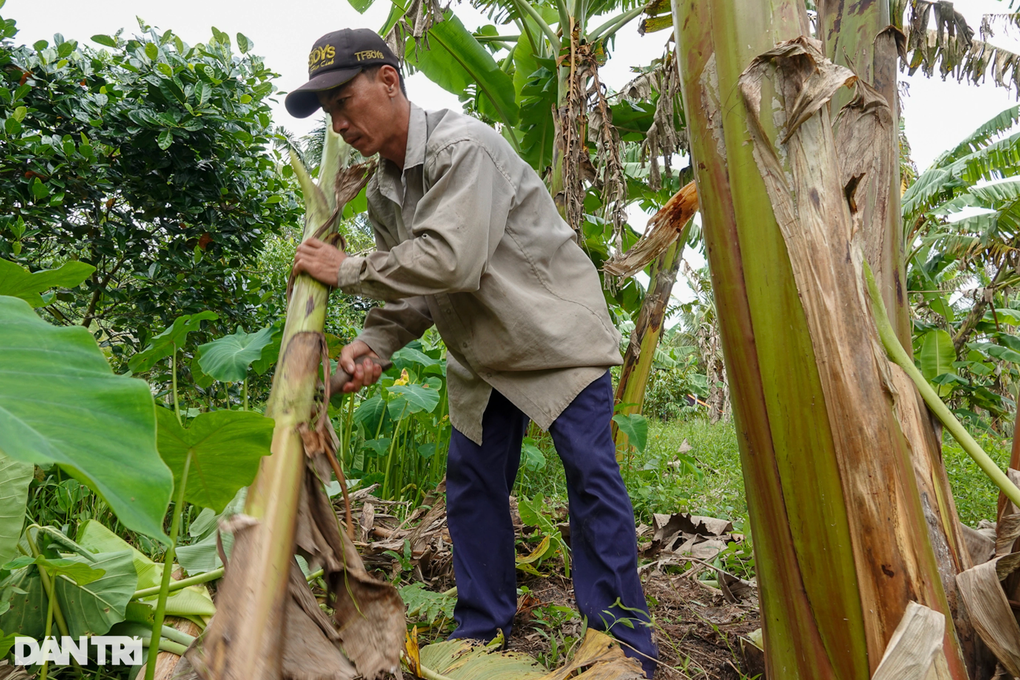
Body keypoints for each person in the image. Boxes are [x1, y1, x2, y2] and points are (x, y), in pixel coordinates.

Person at [286, 28, 658, 678]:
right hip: (482, 357)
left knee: (591, 481)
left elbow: (451, 260)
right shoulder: (382, 190)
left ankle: (620, 644)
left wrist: (343, 269)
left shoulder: (465, 149)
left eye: (346, 102)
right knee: (473, 489)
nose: (341, 124)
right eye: (330, 115)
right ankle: (482, 630)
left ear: (389, 82)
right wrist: (372, 343)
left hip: (552, 340)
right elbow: (416, 290)